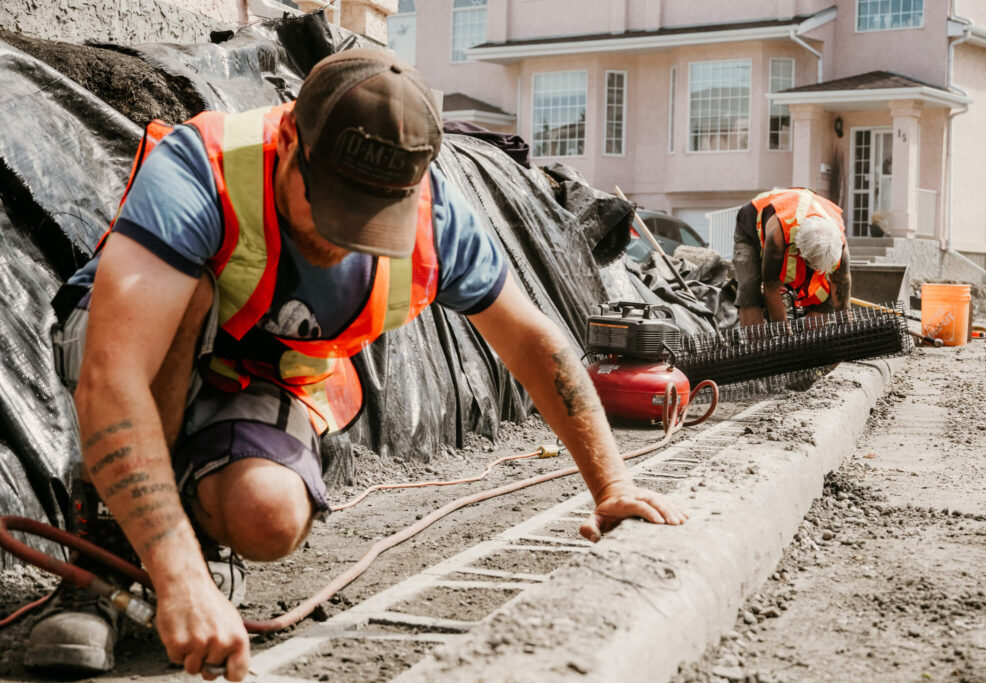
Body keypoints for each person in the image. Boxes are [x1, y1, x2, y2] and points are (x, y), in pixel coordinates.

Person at [27, 49, 686, 681]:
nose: (346, 240)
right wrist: (178, 581)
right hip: (143, 346)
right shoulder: (206, 170)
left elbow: (529, 341)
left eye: (375, 219)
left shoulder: (437, 216)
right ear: (291, 142)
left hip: (253, 375)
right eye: (334, 208)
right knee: (189, 298)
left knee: (269, 516)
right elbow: (113, 375)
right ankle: (109, 555)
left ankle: (199, 538)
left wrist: (612, 487)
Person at [732, 188, 852, 327]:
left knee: (823, 294)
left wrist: (847, 329)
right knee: (749, 290)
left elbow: (841, 286)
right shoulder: (779, 234)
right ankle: (756, 344)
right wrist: (785, 335)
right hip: (752, 223)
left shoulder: (838, 242)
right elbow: (771, 287)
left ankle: (815, 342)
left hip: (801, 226)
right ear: (800, 250)